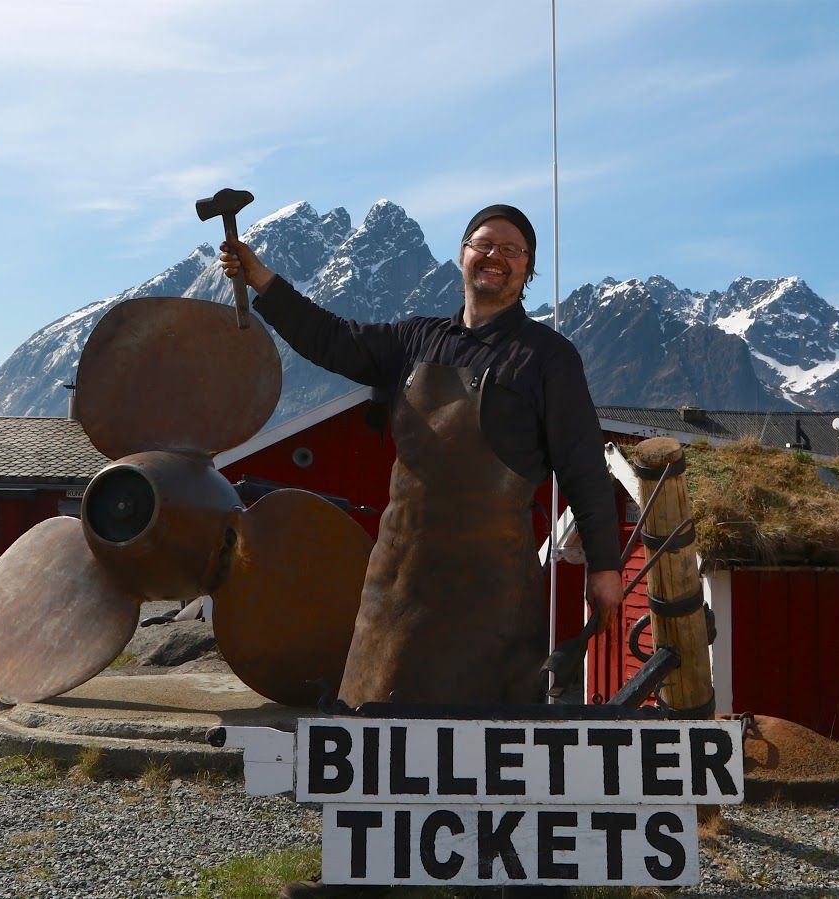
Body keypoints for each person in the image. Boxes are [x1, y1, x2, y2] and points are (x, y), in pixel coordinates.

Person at [219, 204, 622, 899]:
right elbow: (330, 338)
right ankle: (360, 877)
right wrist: (261, 279)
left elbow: (584, 465)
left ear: (528, 270)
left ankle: (507, 882)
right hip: (397, 585)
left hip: (489, 595)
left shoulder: (546, 356)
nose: (495, 257)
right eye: (484, 244)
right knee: (376, 737)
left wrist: (607, 567)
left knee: (491, 744)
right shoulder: (415, 338)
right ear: (462, 254)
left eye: (512, 250)